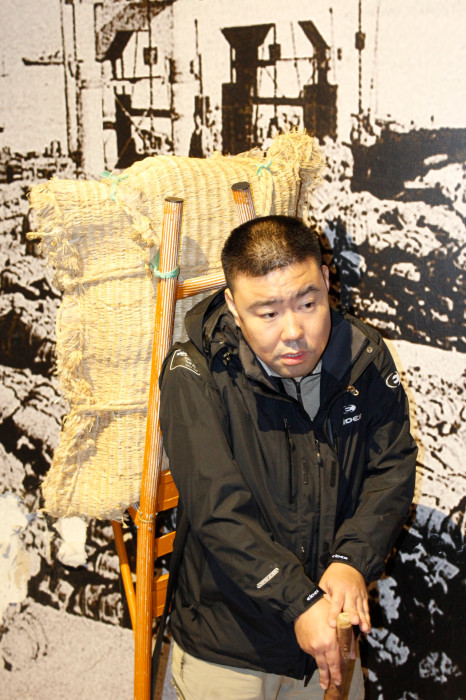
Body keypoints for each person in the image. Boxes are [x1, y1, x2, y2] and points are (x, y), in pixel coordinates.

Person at [159, 215, 417, 699]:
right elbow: (219, 512)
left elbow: (392, 466)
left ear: (326, 280)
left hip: (330, 630)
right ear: (234, 307)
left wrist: (351, 561)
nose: (294, 331)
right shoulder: (194, 373)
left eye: (308, 303)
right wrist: (299, 600)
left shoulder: (363, 355)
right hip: (231, 646)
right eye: (268, 313)